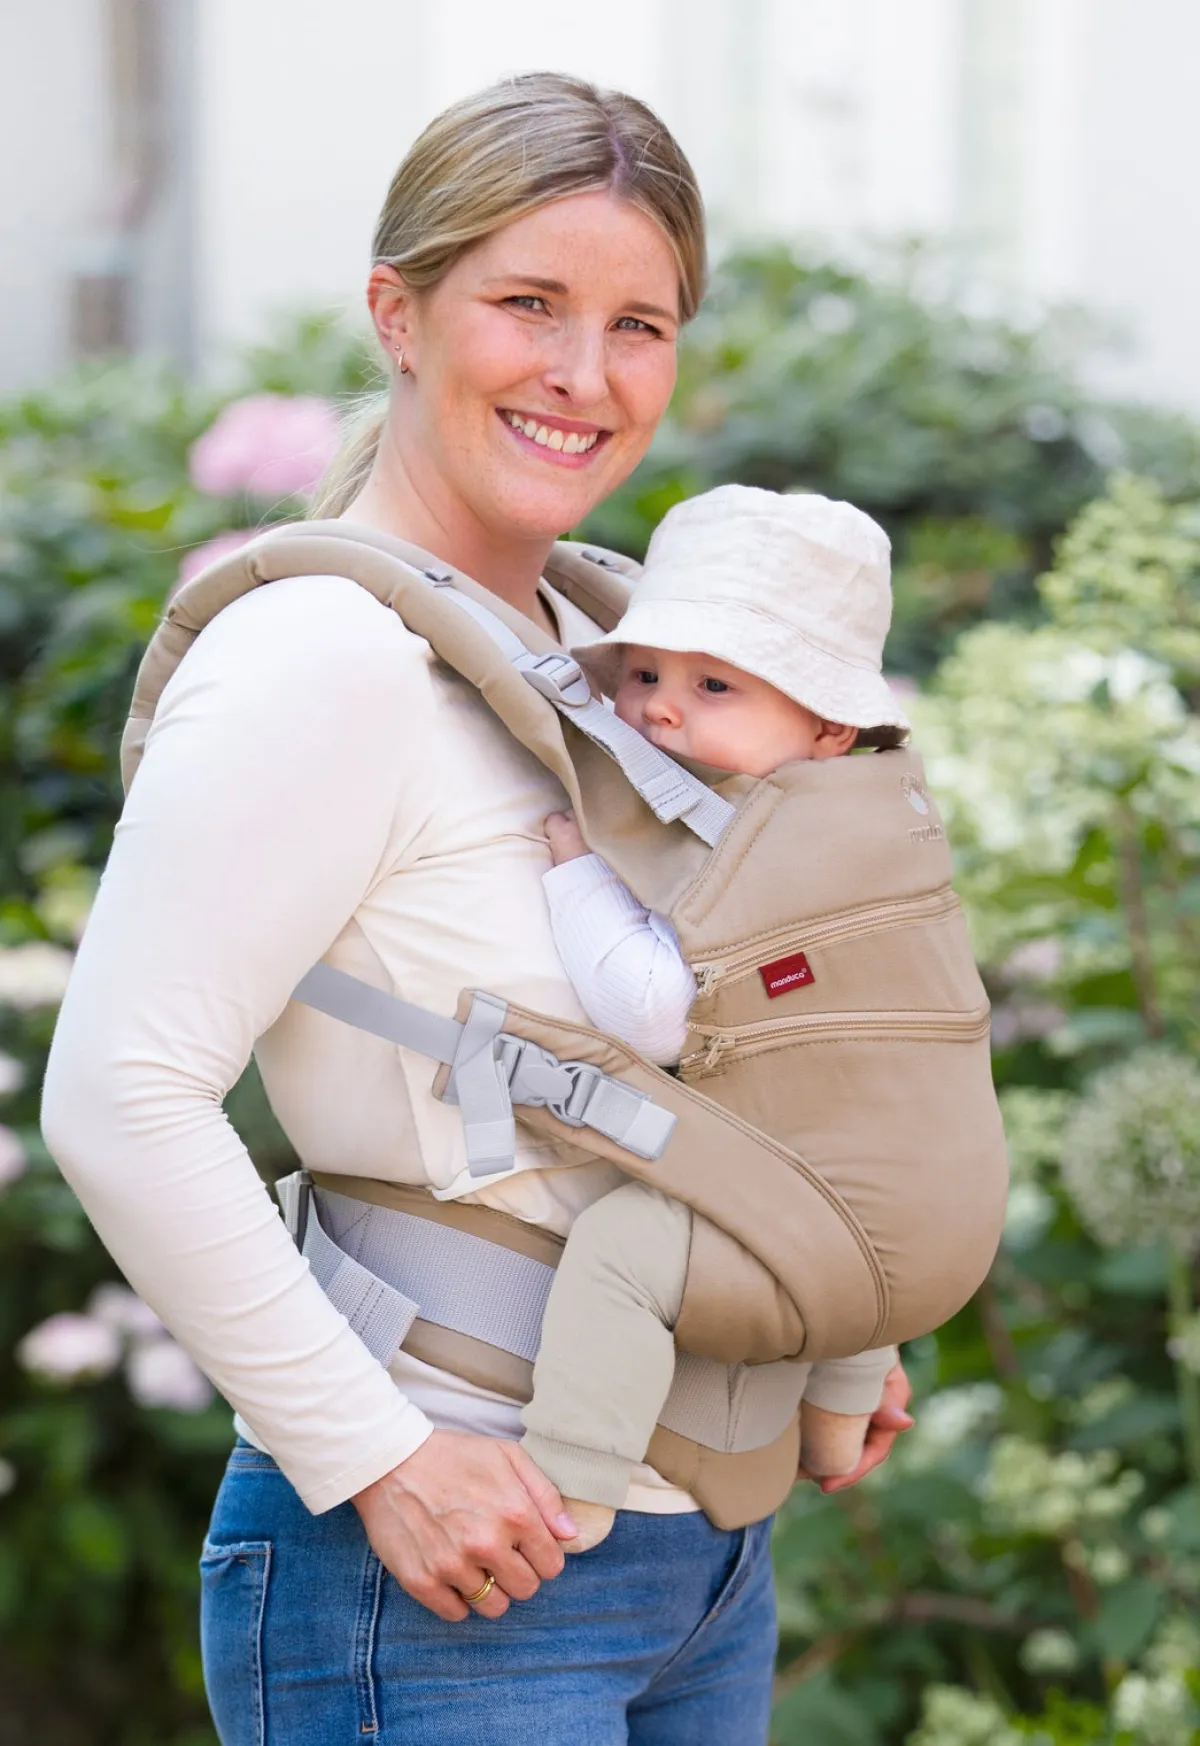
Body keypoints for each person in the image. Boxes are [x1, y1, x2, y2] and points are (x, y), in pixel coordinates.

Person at [40, 73, 912, 1745]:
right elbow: (119, 1095)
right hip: (444, 1579)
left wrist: (822, 1329)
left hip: (698, 1558)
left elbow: (716, 1057)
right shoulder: (322, 661)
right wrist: (373, 1454)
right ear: (398, 313)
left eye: (639, 325)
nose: (586, 374)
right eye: (530, 305)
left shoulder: (627, 664)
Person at [521, 484, 914, 1551]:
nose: (659, 708)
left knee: (619, 1250)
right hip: (893, 1188)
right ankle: (835, 1434)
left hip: (810, 1183)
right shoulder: (879, 823)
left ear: (827, 727)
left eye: (714, 685)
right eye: (645, 673)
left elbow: (657, 1016)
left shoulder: (768, 849)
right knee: (870, 1259)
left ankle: (573, 1491)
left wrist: (578, 874)